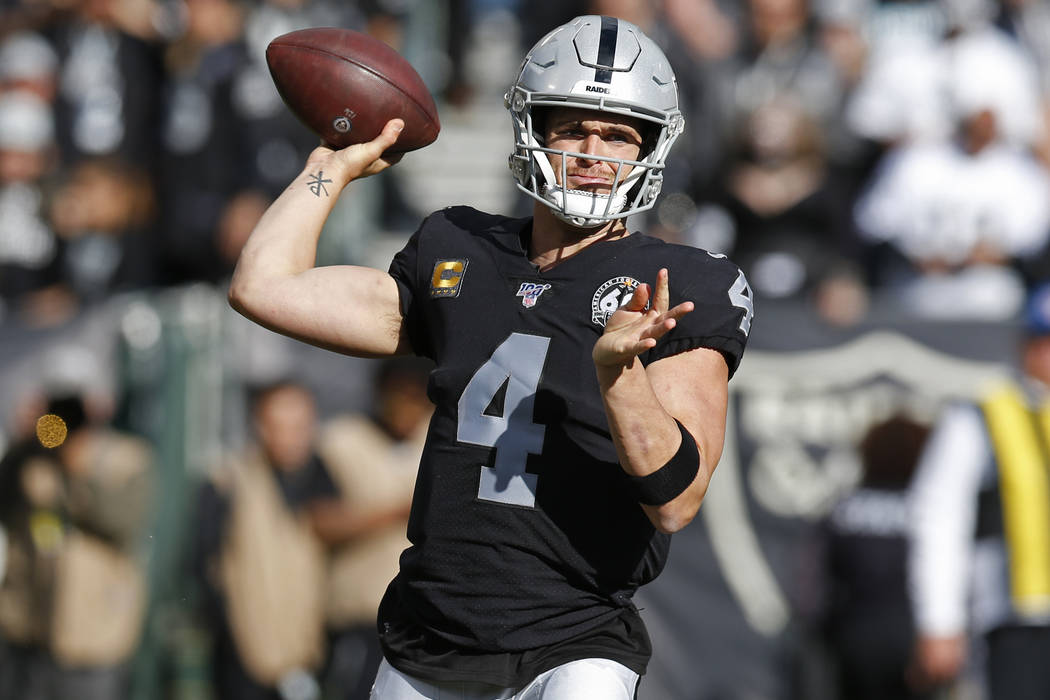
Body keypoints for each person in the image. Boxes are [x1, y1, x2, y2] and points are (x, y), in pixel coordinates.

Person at [228, 14, 753, 699]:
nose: (594, 150)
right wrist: (328, 168)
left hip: (574, 642)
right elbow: (264, 286)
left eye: (620, 134)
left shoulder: (681, 283)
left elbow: (677, 500)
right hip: (428, 638)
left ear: (652, 148)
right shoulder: (458, 248)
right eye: (573, 127)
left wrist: (620, 376)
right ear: (532, 127)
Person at [908, 283, 1050, 699]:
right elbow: (939, 517)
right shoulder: (983, 413)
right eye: (1041, 340)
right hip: (1012, 615)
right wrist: (939, 620)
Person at [190, 379, 339, 700]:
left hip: (306, 650)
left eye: (300, 426)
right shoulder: (227, 482)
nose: (291, 438)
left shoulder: (322, 478)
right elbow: (205, 566)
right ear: (259, 426)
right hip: (243, 655)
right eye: (280, 426)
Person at [312, 356, 433, 700]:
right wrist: (398, 511)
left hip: (426, 618)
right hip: (361, 617)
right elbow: (321, 523)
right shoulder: (341, 442)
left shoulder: (441, 434)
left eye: (415, 396)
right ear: (380, 393)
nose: (406, 406)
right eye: (398, 393)